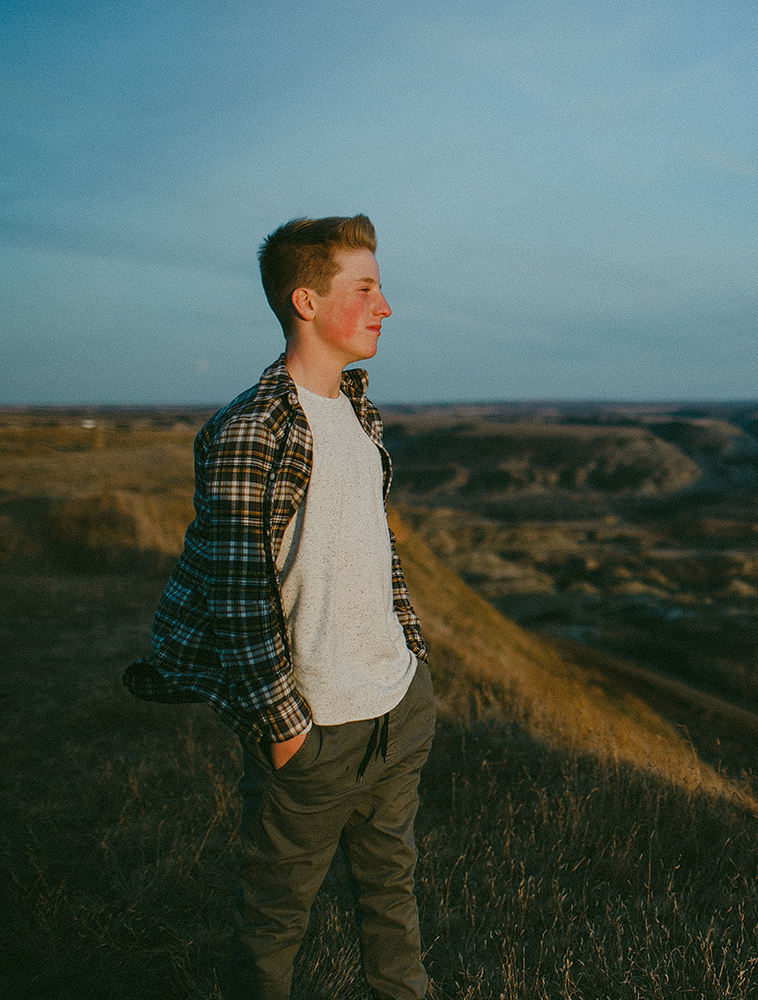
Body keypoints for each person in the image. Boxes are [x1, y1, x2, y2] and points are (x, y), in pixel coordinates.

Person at [125, 214, 435, 1000]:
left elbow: (372, 553)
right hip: (313, 727)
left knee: (393, 905)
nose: (385, 306)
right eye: (365, 288)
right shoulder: (251, 428)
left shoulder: (359, 413)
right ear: (307, 301)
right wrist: (286, 729)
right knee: (271, 928)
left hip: (396, 708)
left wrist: (411, 661)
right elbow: (237, 595)